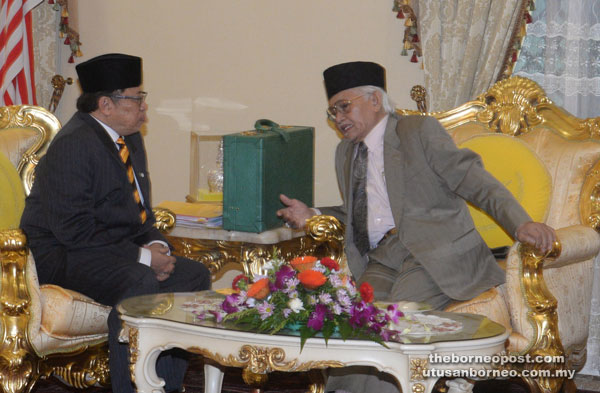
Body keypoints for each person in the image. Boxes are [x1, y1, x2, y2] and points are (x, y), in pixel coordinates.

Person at [277, 61, 556, 393]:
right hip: (383, 257)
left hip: (432, 252)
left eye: (344, 107)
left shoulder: (417, 132)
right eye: (332, 111)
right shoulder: (344, 153)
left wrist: (520, 222)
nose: (337, 118)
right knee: (354, 320)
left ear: (374, 100)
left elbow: (473, 180)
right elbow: (356, 215)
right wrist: (313, 213)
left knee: (394, 323)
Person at [20, 53, 211, 393]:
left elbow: (140, 213)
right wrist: (143, 258)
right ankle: (132, 387)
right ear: (106, 105)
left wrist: (157, 245)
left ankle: (164, 386)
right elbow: (74, 231)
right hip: (64, 255)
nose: (144, 107)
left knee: (192, 274)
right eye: (137, 98)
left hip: (109, 250)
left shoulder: (130, 139)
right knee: (139, 280)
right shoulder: (73, 145)